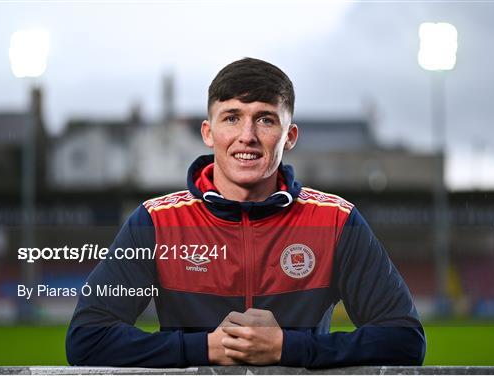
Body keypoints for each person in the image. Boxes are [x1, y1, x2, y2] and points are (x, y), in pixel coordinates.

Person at [66, 57, 426, 368]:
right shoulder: (157, 223)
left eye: (266, 120)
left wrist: (287, 347)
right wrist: (207, 347)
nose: (247, 136)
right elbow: (87, 339)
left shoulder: (335, 221)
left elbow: (405, 340)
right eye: (232, 118)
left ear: (290, 136)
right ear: (208, 132)